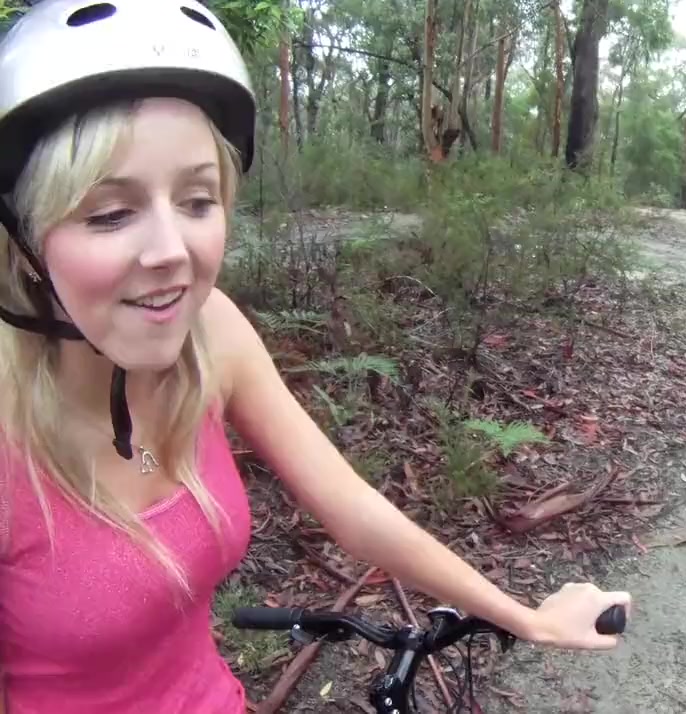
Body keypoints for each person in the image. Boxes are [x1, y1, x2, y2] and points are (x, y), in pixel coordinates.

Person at [0, 1, 631, 712]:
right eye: (111, 213)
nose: (171, 252)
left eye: (198, 200)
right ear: (23, 235)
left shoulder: (211, 332)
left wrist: (523, 616)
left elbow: (347, 503)